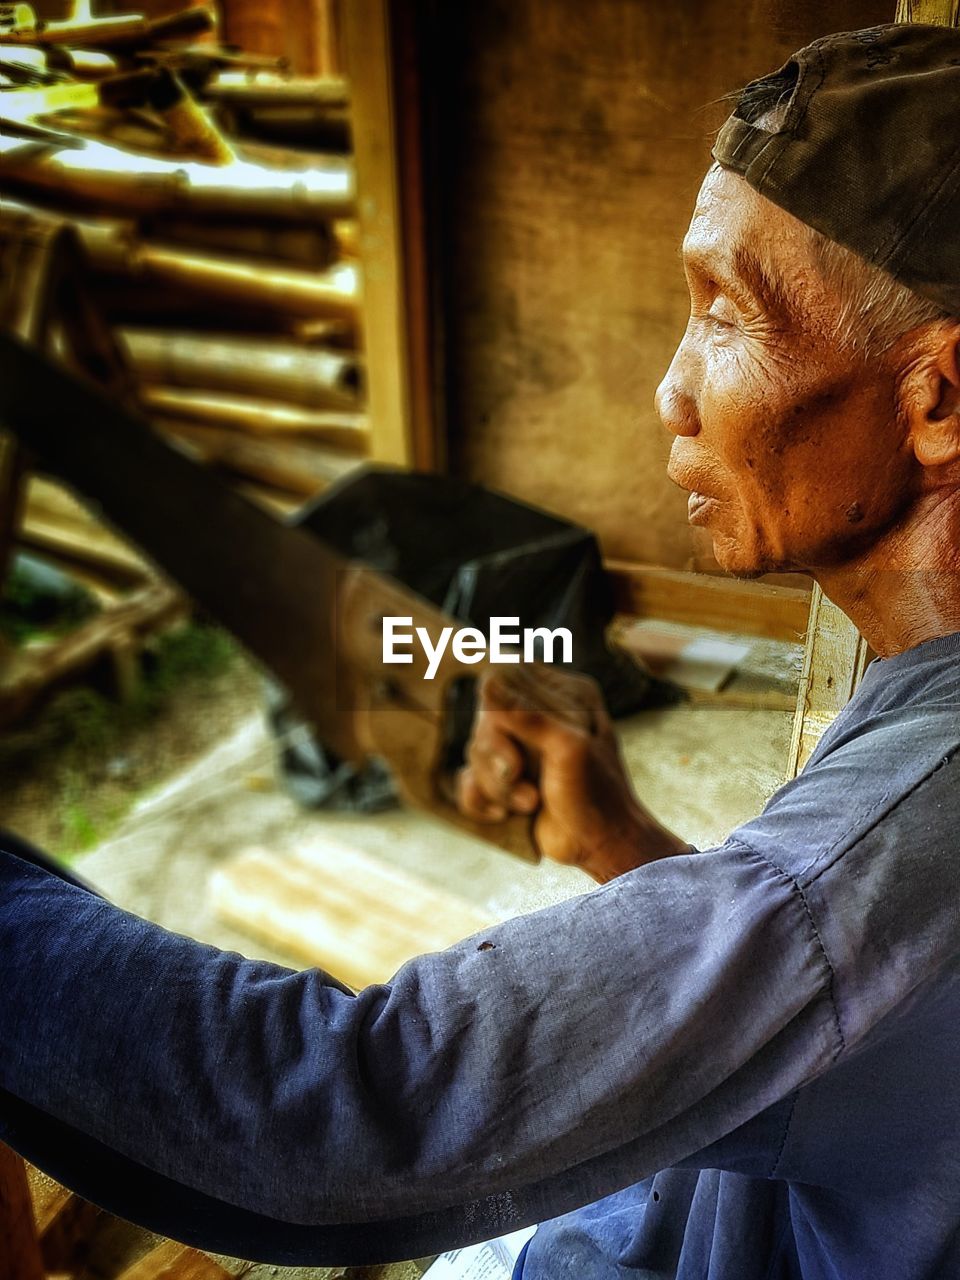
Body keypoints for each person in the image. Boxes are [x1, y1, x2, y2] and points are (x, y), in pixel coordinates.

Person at [1, 22, 958, 1280]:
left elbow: (341, 1116)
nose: (671, 388)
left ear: (936, 399)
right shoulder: (911, 727)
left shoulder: (906, 819)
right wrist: (614, 836)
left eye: (727, 316)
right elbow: (834, 1005)